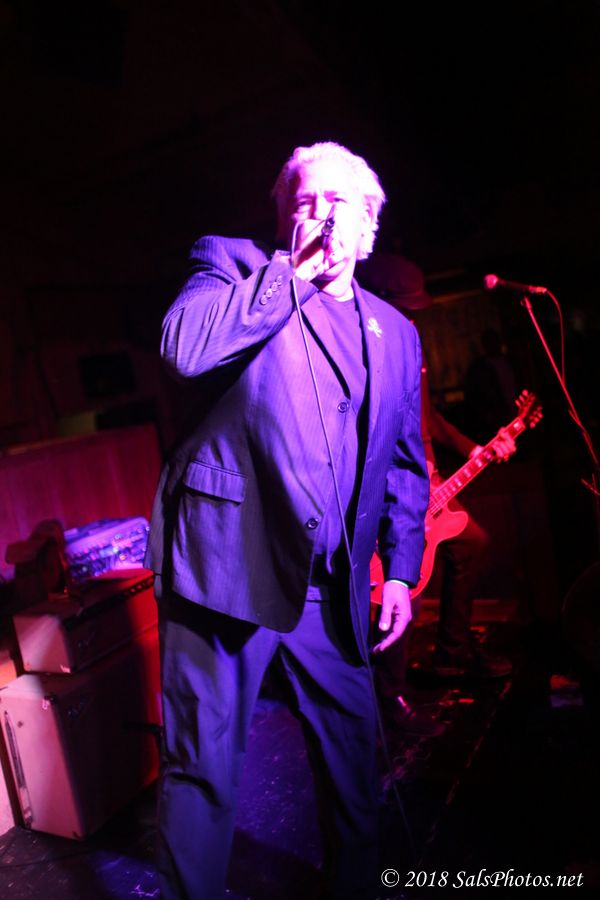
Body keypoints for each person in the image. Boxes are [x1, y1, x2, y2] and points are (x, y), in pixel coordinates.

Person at [144, 142, 430, 899]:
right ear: (281, 216)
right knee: (202, 768)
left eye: (339, 202)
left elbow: (406, 462)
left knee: (353, 758)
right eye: (305, 200)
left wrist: (401, 571)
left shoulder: (396, 333)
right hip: (223, 568)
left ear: (368, 229)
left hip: (330, 588)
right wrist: (290, 276)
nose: (322, 214)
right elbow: (183, 349)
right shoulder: (232, 267)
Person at [358, 254, 516, 736]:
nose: (413, 316)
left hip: (427, 477)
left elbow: (429, 420)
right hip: (394, 484)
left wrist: (474, 448)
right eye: (406, 306)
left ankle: (450, 653)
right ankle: (388, 697)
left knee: (472, 542)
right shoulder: (364, 348)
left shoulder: (409, 341)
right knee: (404, 581)